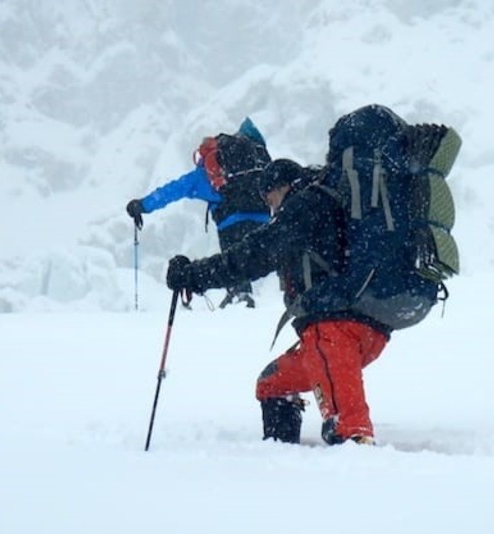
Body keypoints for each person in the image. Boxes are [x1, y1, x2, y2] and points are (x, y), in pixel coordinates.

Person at [164, 158, 385, 446]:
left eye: (270, 199)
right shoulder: (329, 203)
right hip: (366, 327)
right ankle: (281, 454)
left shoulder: (304, 207)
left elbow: (251, 256)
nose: (272, 210)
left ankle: (361, 474)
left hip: (333, 329)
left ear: (282, 186)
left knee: (348, 431)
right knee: (273, 385)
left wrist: (194, 275)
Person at [125, 118, 270, 308]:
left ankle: (239, 297)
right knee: (268, 257)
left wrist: (143, 205)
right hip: (264, 217)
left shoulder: (212, 171)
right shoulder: (257, 162)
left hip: (231, 223)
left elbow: (175, 189)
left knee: (234, 264)